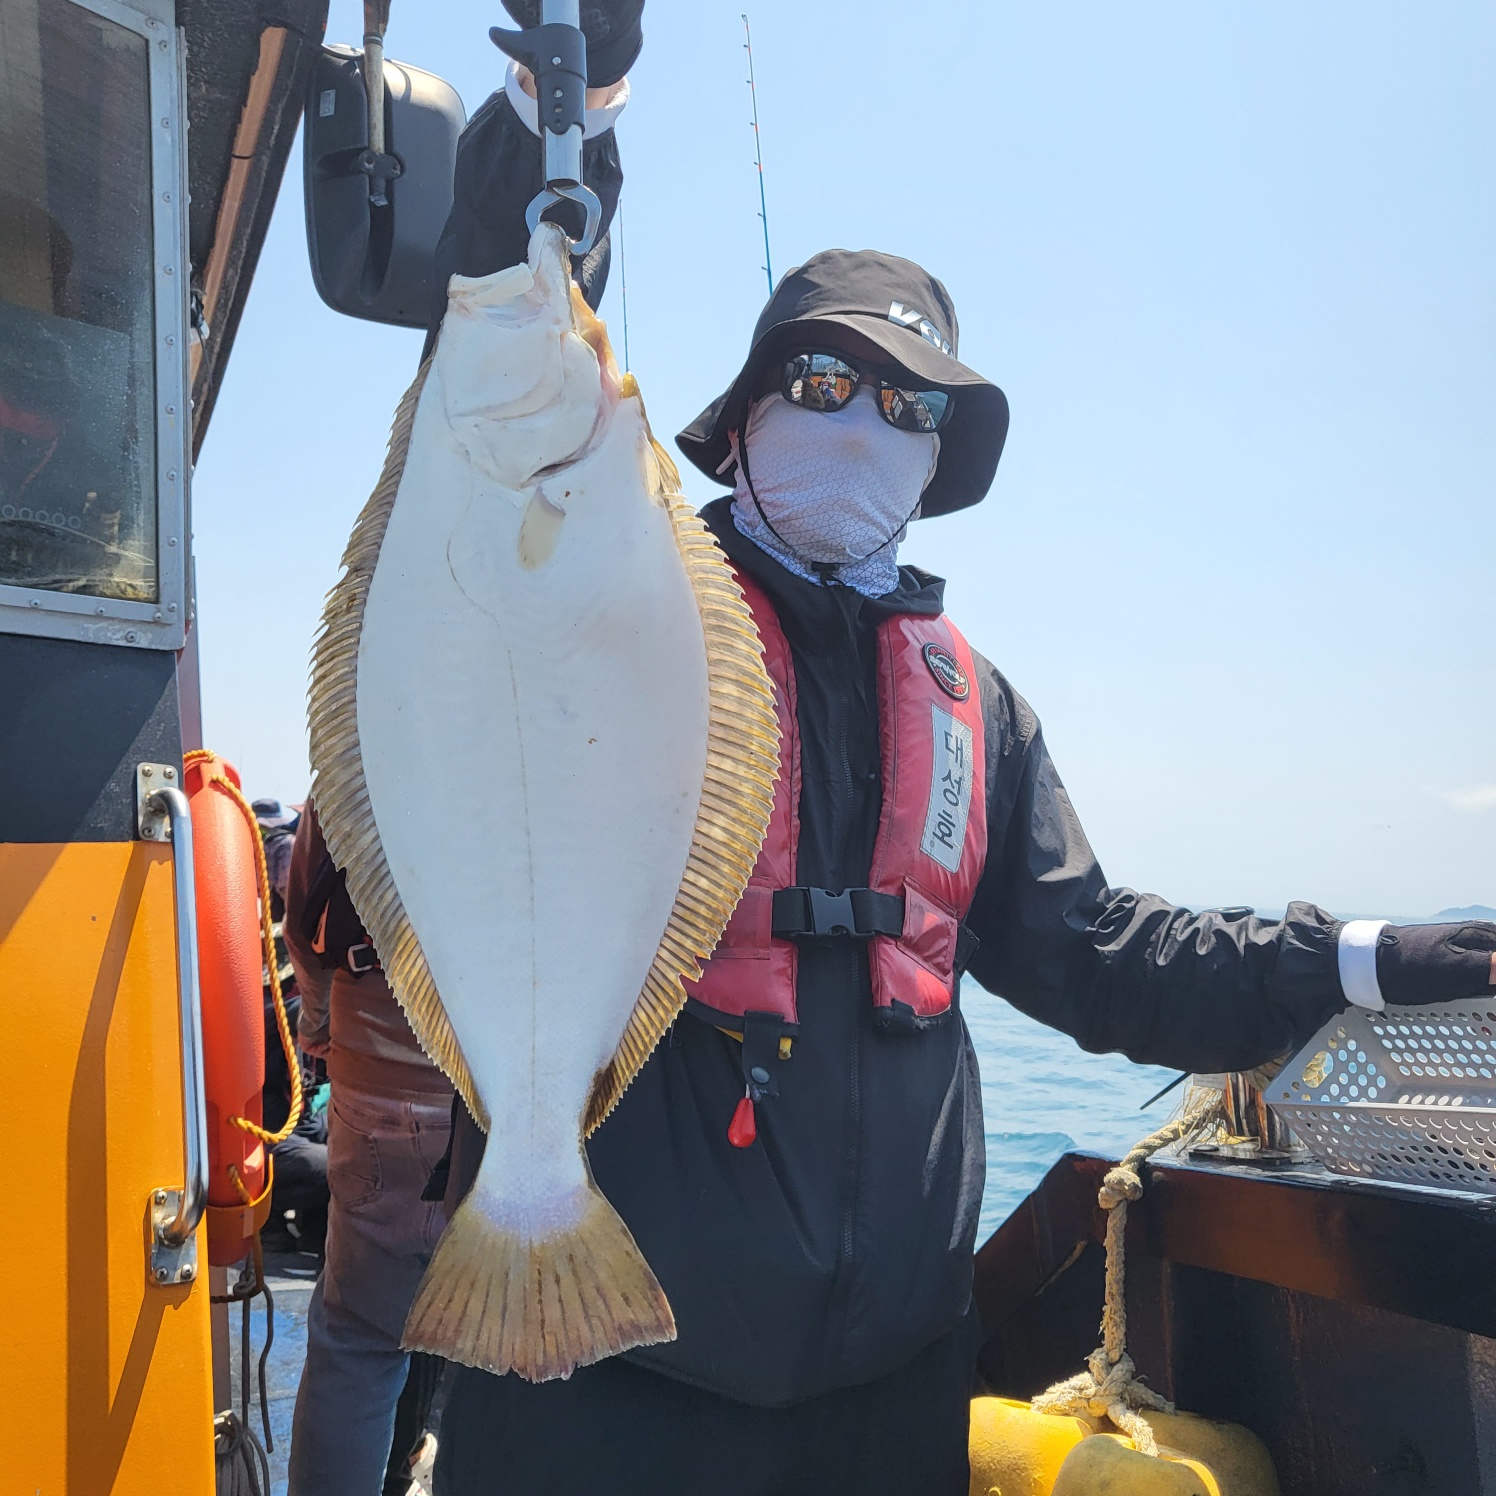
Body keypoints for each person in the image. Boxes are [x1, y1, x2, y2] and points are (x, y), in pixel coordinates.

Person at [398, 7, 1496, 1491]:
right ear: (744, 417)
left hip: (890, 1391)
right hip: (608, 1382)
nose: (864, 422)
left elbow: (1099, 955)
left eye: (907, 403)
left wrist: (1355, 959)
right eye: (823, 384)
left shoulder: (974, 704)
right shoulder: (618, 598)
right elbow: (496, 361)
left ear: (936, 458)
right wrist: (569, 110)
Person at [283, 805, 454, 1494]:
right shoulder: (579, 750)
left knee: (356, 1340)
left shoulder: (358, 748)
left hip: (380, 1077)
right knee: (523, 1351)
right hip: (531, 1093)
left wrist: (319, 1026)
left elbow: (306, 922)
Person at [251, 796, 329, 1256]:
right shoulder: (273, 1017)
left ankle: (302, 1231)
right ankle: (273, 1224)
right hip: (265, 1142)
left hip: (295, 1127)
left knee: (336, 1143)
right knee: (338, 1168)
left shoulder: (289, 1010)